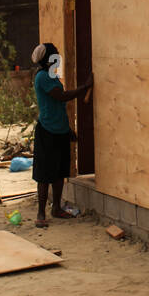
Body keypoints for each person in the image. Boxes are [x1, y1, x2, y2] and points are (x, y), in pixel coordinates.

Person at [30, 42, 92, 228]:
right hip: (47, 131)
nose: (58, 57)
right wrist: (84, 87)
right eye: (55, 54)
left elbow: (58, 107)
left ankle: (56, 208)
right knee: (44, 175)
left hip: (58, 130)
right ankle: (41, 213)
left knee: (59, 173)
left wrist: (67, 129)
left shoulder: (52, 76)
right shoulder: (43, 77)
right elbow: (61, 97)